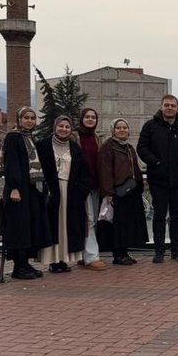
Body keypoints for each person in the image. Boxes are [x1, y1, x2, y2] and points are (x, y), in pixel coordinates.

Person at [137, 95, 178, 263]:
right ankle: (159, 251)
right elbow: (142, 148)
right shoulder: (150, 126)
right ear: (161, 106)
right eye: (167, 105)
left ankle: (177, 250)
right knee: (159, 216)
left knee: (176, 216)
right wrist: (155, 162)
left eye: (173, 105)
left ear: (177, 108)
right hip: (158, 180)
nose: (170, 108)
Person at [0, 105, 53, 280]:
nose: (29, 121)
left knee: (29, 226)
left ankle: (25, 263)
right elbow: (11, 163)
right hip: (18, 190)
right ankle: (18, 267)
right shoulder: (13, 138)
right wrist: (14, 187)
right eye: (26, 118)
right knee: (19, 228)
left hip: (29, 190)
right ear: (19, 120)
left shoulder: (29, 138)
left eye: (32, 118)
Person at [37, 115, 90, 274]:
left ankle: (62, 259)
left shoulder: (75, 148)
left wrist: (81, 192)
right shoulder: (43, 146)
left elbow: (83, 172)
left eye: (67, 127)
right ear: (55, 127)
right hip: (51, 191)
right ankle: (52, 260)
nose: (64, 129)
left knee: (66, 226)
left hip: (70, 193)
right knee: (53, 225)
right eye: (61, 126)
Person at [97, 119, 147, 265]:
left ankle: (124, 253)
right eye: (118, 128)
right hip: (117, 192)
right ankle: (118, 255)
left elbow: (135, 169)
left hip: (130, 191)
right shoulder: (107, 147)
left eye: (125, 127)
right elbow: (104, 171)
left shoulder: (129, 148)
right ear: (113, 130)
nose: (122, 130)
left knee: (127, 225)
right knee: (117, 226)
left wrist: (139, 186)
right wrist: (108, 192)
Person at [77, 107, 105, 271]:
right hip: (82, 185)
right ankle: (92, 256)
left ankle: (84, 254)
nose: (90, 119)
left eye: (93, 117)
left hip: (95, 184)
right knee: (88, 220)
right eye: (87, 117)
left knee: (92, 220)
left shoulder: (96, 138)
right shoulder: (75, 137)